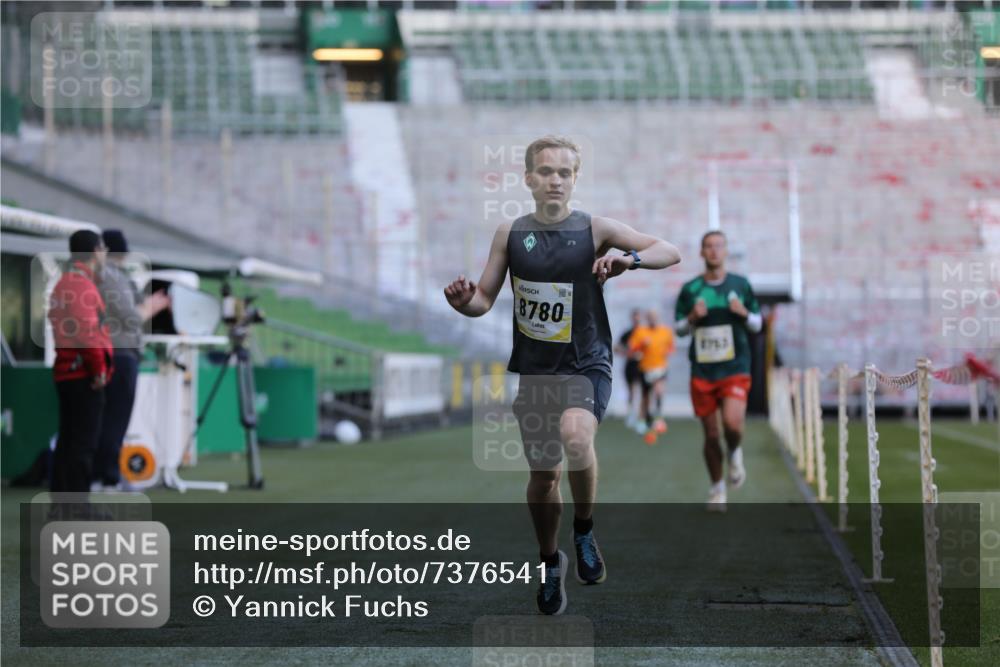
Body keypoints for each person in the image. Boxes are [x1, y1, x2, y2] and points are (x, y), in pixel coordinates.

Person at [444, 136, 681, 615]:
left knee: (577, 437)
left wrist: (626, 260)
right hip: (536, 374)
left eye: (564, 172)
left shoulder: (596, 229)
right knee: (544, 479)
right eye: (546, 171)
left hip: (586, 363)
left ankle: (586, 528)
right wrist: (462, 302)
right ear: (529, 179)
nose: (555, 180)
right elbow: (483, 301)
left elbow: (668, 250)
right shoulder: (508, 234)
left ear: (575, 178)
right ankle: (551, 562)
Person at [674, 230, 761, 512]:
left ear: (726, 251)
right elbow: (678, 329)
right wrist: (692, 317)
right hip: (703, 370)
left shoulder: (740, 285)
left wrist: (743, 313)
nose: (713, 251)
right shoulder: (691, 290)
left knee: (733, 424)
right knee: (711, 434)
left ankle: (735, 451)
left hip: (735, 366)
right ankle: (717, 489)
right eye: (708, 247)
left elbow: (758, 323)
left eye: (718, 246)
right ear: (701, 252)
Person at [93, 230, 171, 491]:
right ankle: (107, 478)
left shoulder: (112, 277)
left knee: (109, 419)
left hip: (114, 353)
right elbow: (131, 316)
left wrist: (150, 304)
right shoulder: (112, 277)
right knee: (114, 419)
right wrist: (153, 307)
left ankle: (106, 475)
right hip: (120, 354)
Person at [48, 230, 112, 493]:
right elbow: (87, 333)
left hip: (69, 371)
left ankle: (63, 507)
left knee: (69, 441)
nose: (106, 253)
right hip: (82, 374)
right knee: (82, 444)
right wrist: (98, 370)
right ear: (96, 251)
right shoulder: (80, 285)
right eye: (104, 248)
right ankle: (76, 509)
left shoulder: (66, 282)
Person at [628, 309, 674, 443]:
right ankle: (642, 421)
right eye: (650, 317)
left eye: (655, 317)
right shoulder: (641, 332)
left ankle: (658, 418)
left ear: (658, 318)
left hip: (660, 368)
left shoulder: (665, 331)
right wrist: (642, 344)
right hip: (645, 368)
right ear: (647, 318)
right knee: (645, 396)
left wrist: (667, 351)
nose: (653, 319)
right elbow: (632, 348)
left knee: (659, 391)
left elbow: (671, 347)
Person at [613, 309, 644, 429]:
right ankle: (631, 414)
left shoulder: (645, 333)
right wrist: (628, 353)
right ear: (632, 318)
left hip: (643, 367)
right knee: (631, 391)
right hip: (630, 367)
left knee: (643, 392)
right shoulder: (628, 334)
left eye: (638, 317)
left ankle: (642, 417)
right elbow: (616, 348)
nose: (636, 319)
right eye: (634, 317)